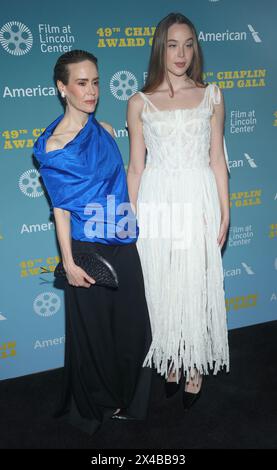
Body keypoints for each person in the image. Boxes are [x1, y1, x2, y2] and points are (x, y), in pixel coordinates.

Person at [33, 50, 152, 435]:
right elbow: (62, 211)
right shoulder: (54, 147)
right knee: (96, 335)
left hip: (123, 241)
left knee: (136, 329)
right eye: (81, 83)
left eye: (95, 82)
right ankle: (101, 402)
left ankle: (131, 400)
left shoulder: (104, 129)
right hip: (88, 250)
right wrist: (68, 263)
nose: (91, 90)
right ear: (62, 88)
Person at [127, 13, 230, 410]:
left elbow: (217, 160)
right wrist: (127, 218)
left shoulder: (212, 96)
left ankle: (195, 366)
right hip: (156, 200)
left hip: (197, 195)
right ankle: (170, 357)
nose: (181, 53)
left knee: (195, 280)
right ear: (160, 48)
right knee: (162, 282)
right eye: (173, 44)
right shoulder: (138, 102)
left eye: (188, 44)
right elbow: (136, 166)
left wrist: (224, 209)